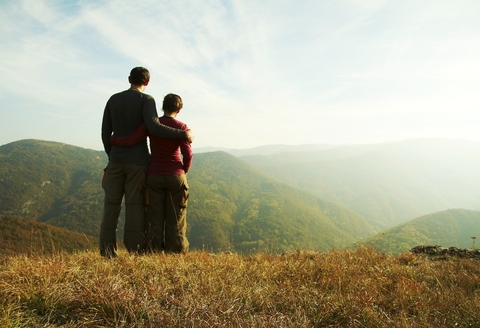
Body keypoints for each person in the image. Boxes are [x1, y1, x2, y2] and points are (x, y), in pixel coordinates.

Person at [100, 67, 192, 258]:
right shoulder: (146, 100)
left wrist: (113, 154)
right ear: (147, 82)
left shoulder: (113, 99)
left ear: (129, 79)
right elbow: (154, 126)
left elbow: (105, 133)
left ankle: (107, 252)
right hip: (138, 162)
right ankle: (135, 251)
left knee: (111, 206)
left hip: (116, 160)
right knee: (135, 207)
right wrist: (182, 134)